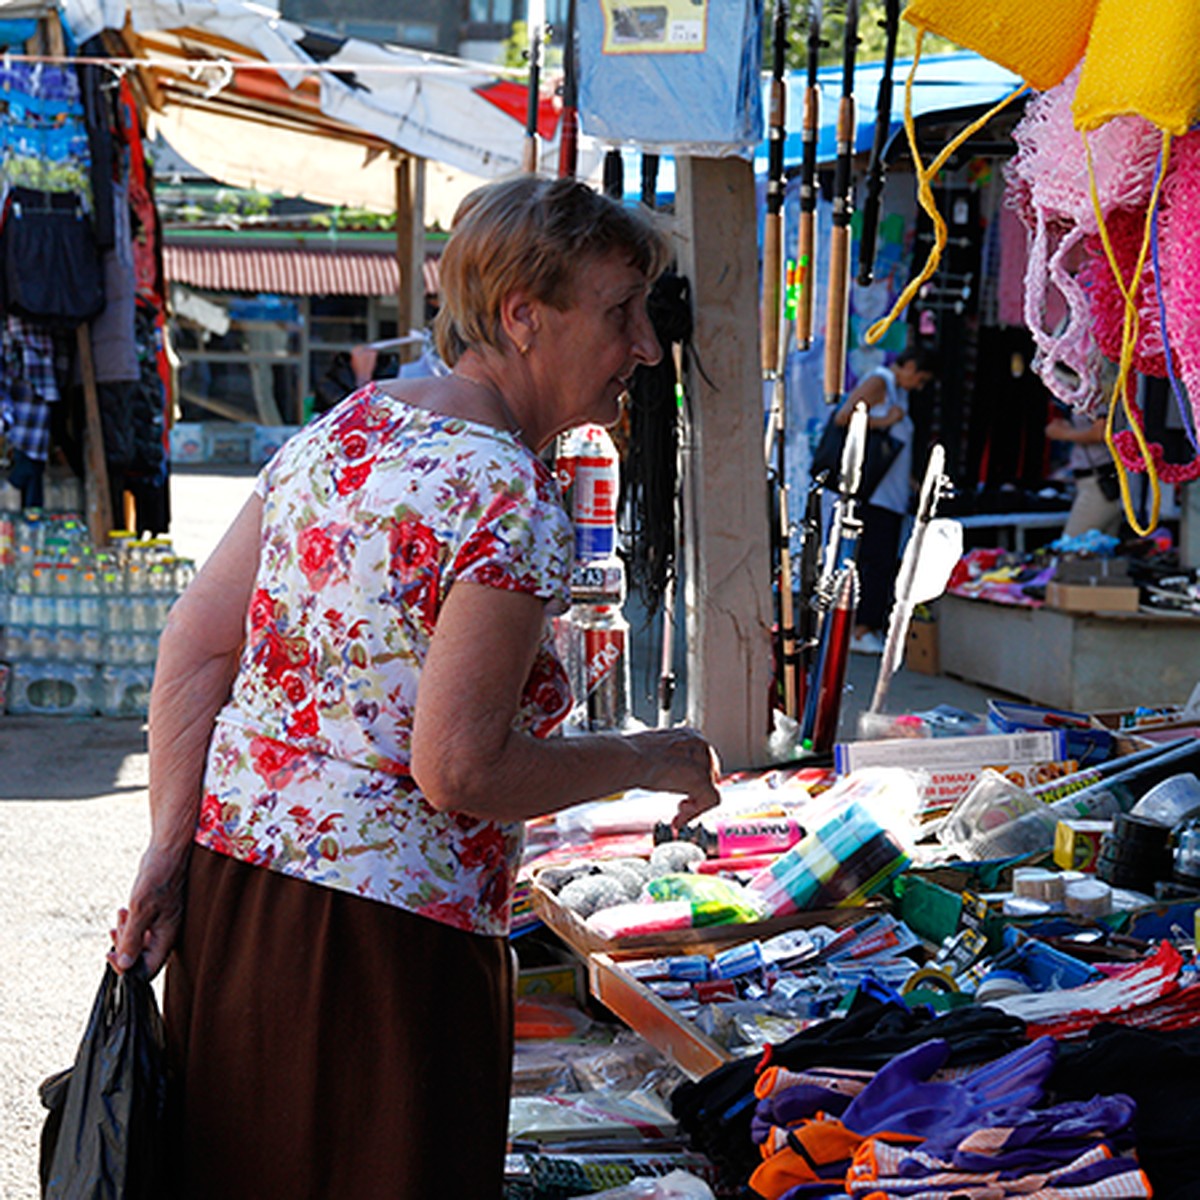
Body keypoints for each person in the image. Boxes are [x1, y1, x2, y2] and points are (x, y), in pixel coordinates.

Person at [109, 176, 722, 1198]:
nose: (648, 347)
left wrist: (170, 851)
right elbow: (462, 768)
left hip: (240, 904)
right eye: (620, 312)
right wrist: (650, 756)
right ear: (524, 317)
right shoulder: (508, 491)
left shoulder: (345, 432)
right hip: (383, 948)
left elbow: (199, 646)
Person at [831, 346, 936, 654]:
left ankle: (865, 626)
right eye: (920, 378)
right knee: (874, 562)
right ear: (910, 365)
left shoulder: (896, 391)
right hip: (873, 494)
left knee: (881, 561)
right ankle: (861, 629)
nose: (919, 386)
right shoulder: (880, 382)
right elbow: (844, 417)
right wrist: (886, 420)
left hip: (889, 494)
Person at [1045, 408, 1123, 539]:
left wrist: (1064, 433)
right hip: (1089, 479)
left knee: (1071, 547)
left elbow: (1100, 433)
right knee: (1098, 550)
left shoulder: (1101, 393)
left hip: (1101, 479)